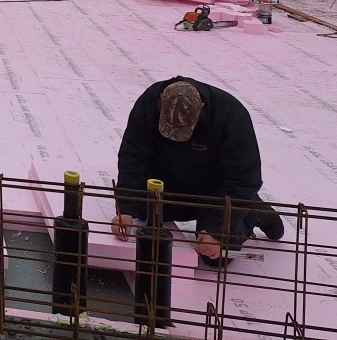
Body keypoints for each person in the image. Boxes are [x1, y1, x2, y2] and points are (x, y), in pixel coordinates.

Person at [111, 77, 285, 267]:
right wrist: (126, 207)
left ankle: (252, 211)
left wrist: (217, 230)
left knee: (214, 256)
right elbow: (133, 156)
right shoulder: (149, 102)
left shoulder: (231, 116)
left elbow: (243, 179)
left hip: (214, 190)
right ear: (161, 100)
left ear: (201, 107)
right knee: (147, 214)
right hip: (172, 178)